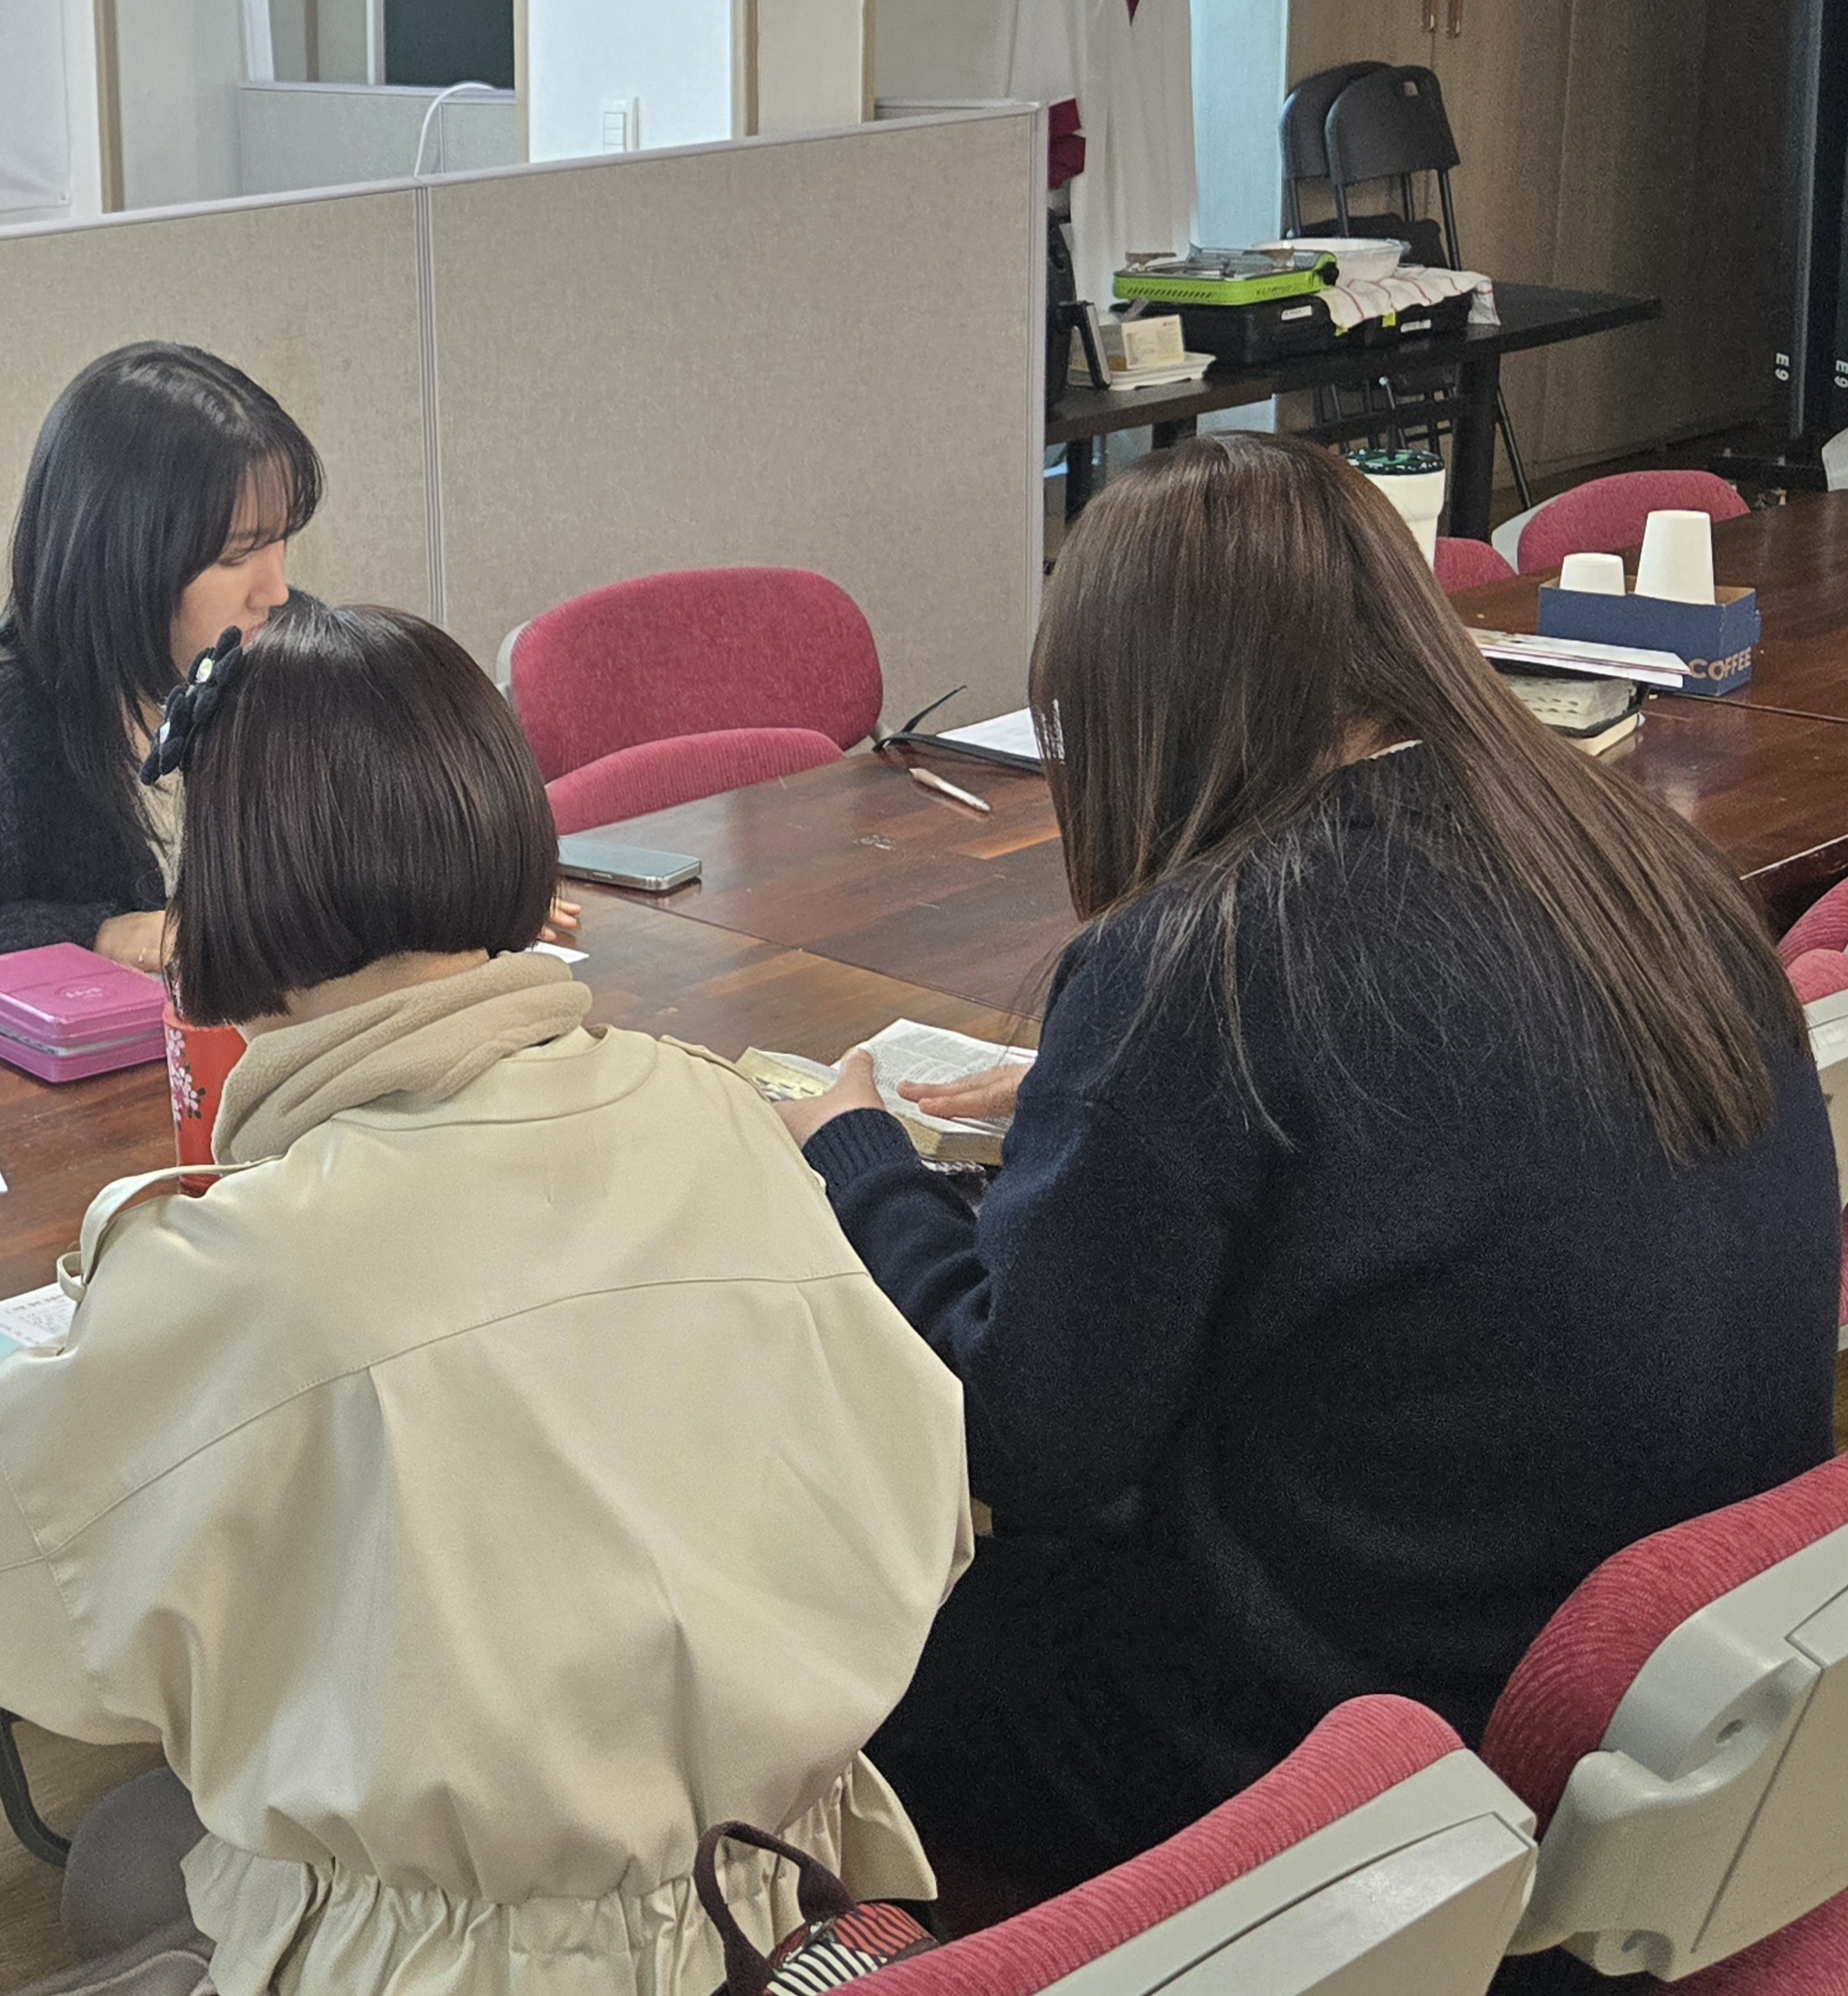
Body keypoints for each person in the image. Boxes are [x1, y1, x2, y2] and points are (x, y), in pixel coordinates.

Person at [0, 604, 971, 1996]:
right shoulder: (714, 1108)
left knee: (132, 1864)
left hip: (488, 1968)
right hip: (787, 1887)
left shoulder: (266, 1257)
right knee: (135, 1858)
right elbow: (923, 1487)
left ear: (235, 889)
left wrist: (109, 1290)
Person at [783, 433, 1841, 1895]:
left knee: (790, 1620)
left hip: (1356, 1742)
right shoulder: (1620, 853)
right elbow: (1407, 1137)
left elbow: (1025, 1440)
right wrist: (1093, 1108)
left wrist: (853, 1154)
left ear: (1134, 701)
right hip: (1668, 1682)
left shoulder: (1210, 958)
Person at [0, 343, 575, 1049]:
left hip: (290, 1080)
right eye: (237, 556)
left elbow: (338, 867)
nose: (275, 589)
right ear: (122, 559)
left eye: (281, 540)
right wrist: (94, 937)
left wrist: (450, 907)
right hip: (91, 1128)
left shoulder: (278, 661)